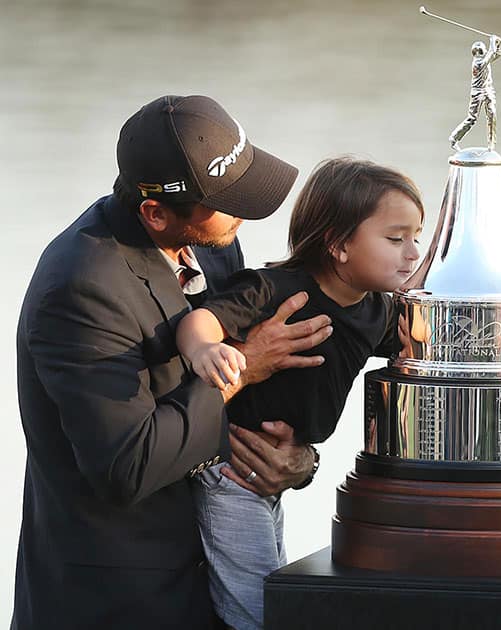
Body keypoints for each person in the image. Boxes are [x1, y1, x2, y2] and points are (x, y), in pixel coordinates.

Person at [13, 95, 332, 629]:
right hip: (118, 601)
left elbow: (237, 409)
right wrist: (244, 370)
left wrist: (298, 462)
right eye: (228, 201)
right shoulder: (80, 288)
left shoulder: (211, 239)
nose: (245, 212)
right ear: (155, 213)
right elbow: (126, 467)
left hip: (216, 581)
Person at [176, 156, 424, 630]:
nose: (412, 252)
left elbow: (423, 338)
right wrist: (205, 349)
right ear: (338, 244)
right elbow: (201, 319)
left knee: (275, 588)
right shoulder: (276, 290)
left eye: (415, 236)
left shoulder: (376, 309)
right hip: (232, 472)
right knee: (256, 607)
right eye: (395, 239)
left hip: (275, 474)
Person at [449, 34, 501, 151]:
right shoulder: (479, 63)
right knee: (472, 119)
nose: (486, 50)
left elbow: (496, 54)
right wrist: (493, 40)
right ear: (479, 52)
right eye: (484, 49)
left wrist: (498, 44)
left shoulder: (485, 60)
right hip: (477, 93)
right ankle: (454, 138)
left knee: (492, 115)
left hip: (488, 90)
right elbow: (491, 53)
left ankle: (491, 145)